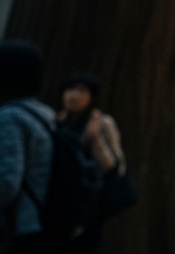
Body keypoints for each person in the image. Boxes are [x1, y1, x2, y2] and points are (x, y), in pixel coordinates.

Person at [55, 74, 126, 254]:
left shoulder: (103, 123)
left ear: (91, 97)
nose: (73, 95)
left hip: (89, 200)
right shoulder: (57, 121)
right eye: (70, 90)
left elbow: (115, 165)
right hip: (62, 199)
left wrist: (95, 140)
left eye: (81, 91)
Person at [0, 41, 55, 254]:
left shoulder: (11, 117)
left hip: (20, 228)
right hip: (44, 222)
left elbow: (7, 182)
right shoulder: (45, 114)